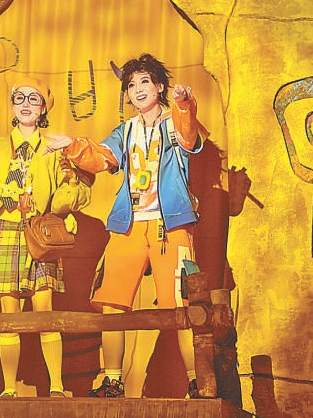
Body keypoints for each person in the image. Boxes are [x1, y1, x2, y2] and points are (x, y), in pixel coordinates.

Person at [46, 53, 206, 399]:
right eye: (131, 85)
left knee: (182, 305)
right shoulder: (126, 130)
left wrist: (184, 104)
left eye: (144, 82)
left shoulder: (174, 120)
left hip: (169, 225)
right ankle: (112, 381)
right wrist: (73, 145)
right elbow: (102, 157)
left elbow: (190, 138)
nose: (138, 89)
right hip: (129, 224)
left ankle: (197, 382)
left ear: (159, 86)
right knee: (112, 302)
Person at [0, 76, 93, 398]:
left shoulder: (53, 148)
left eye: (33, 99)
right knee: (9, 315)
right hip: (5, 229)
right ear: (11, 106)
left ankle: (56, 387)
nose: (25, 104)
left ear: (43, 109)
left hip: (38, 232)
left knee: (45, 311)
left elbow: (67, 196)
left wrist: (69, 176)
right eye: (19, 98)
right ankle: (9, 388)